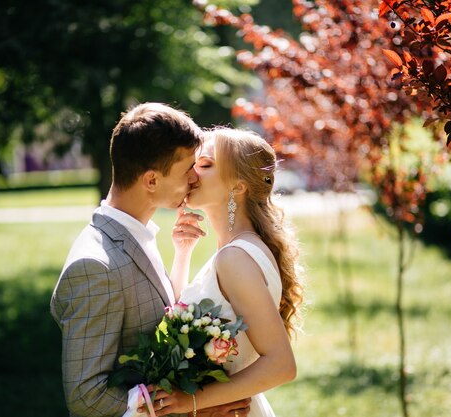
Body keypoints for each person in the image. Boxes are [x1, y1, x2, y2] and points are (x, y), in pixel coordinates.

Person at [50, 103, 251, 417]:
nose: (195, 178)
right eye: (187, 169)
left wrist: (182, 252)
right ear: (151, 181)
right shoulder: (95, 267)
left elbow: (153, 319)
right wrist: (191, 411)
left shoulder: (135, 235)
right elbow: (86, 397)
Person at [147, 127, 304, 417]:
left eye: (205, 165)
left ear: (239, 186)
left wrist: (191, 401)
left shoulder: (235, 258)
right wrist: (183, 252)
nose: (192, 173)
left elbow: (282, 365)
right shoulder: (234, 251)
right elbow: (177, 315)